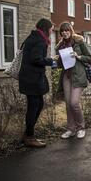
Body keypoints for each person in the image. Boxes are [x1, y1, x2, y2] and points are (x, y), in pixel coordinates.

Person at [19, 18, 58, 148]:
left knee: (37, 104)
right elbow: (36, 59)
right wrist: (50, 60)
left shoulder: (33, 37)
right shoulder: (40, 40)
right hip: (33, 80)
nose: (52, 31)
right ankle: (29, 137)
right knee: (34, 107)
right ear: (46, 28)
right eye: (51, 29)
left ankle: (28, 134)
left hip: (29, 78)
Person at [55, 22, 91, 139]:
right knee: (68, 104)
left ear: (71, 31)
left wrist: (78, 56)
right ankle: (71, 129)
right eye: (62, 31)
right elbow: (60, 65)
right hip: (66, 76)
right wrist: (58, 59)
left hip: (78, 75)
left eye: (67, 30)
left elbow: (90, 57)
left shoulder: (79, 42)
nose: (64, 33)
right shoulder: (60, 46)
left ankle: (81, 127)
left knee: (74, 103)